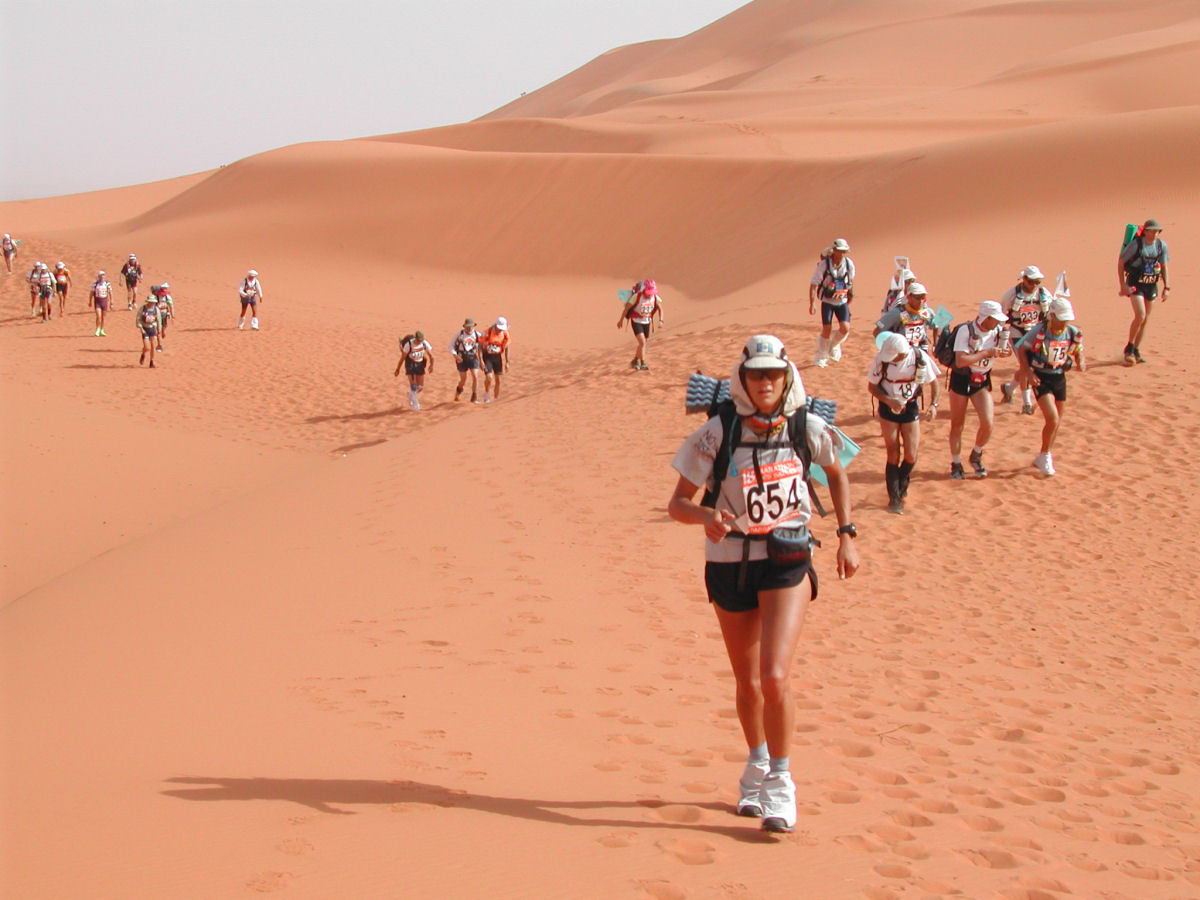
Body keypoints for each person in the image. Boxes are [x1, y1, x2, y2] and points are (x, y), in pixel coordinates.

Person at [668, 335, 859, 834]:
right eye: (758, 374)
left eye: (775, 374)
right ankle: (754, 765)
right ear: (744, 379)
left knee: (774, 677)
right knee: (747, 682)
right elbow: (677, 503)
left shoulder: (806, 426)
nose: (767, 382)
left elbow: (837, 473)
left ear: (787, 377)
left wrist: (846, 535)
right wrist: (706, 515)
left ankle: (781, 781)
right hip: (729, 562)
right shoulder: (717, 432)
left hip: (787, 557)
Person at [868, 332, 941, 514]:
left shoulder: (918, 357)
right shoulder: (881, 360)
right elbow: (872, 386)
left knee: (911, 454)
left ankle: (901, 482)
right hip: (888, 408)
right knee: (893, 451)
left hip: (909, 407)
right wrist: (888, 400)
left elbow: (934, 383)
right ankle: (894, 498)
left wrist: (933, 404)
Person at [1016, 298, 1086, 476]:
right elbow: (1021, 349)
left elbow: (1079, 350)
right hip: (1041, 377)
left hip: (1059, 378)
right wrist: (1028, 373)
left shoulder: (1071, 332)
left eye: (1066, 319)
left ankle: (1044, 454)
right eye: (1061, 318)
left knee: (1056, 423)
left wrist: (1080, 361)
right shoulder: (1039, 331)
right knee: (1052, 418)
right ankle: (1046, 456)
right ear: (1052, 315)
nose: (1064, 322)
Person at [947, 300, 1011, 479]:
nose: (998, 323)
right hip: (961, 379)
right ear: (986, 318)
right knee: (957, 425)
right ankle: (956, 462)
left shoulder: (998, 331)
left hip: (982, 380)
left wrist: (1004, 352)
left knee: (987, 423)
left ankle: (976, 454)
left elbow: (1005, 350)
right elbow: (960, 360)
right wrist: (986, 353)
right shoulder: (965, 331)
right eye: (995, 319)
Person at [998, 266, 1052, 414]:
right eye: (1031, 282)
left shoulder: (1044, 294)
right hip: (1017, 333)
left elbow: (1050, 313)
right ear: (1024, 279)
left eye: (1037, 282)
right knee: (1026, 366)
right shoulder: (1010, 295)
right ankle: (1027, 403)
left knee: (1028, 367)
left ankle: (1009, 389)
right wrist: (1001, 341)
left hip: (1036, 334)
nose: (1034, 285)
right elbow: (1001, 317)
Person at [1119, 219, 1171, 365]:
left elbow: (1164, 266)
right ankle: (1129, 347)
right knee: (1140, 315)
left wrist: (1167, 287)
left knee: (1145, 319)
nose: (1155, 233)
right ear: (1146, 231)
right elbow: (1121, 263)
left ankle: (1136, 349)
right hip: (1136, 284)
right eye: (1152, 230)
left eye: (1157, 231)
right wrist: (1122, 284)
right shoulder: (1136, 245)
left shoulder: (1161, 246)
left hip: (1151, 284)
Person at [809, 238, 855, 366]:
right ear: (833, 250)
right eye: (838, 251)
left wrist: (851, 293)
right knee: (827, 328)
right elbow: (814, 283)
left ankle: (833, 345)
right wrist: (812, 303)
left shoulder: (848, 264)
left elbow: (850, 281)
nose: (840, 253)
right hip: (828, 301)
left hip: (842, 301)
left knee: (845, 328)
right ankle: (822, 355)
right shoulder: (824, 265)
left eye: (843, 251)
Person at [617, 278, 664, 370]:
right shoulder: (637, 297)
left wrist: (661, 320)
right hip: (636, 321)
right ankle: (643, 363)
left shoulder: (655, 298)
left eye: (651, 292)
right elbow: (626, 308)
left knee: (643, 343)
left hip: (647, 321)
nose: (650, 294)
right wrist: (621, 320)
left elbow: (660, 309)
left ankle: (635, 360)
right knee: (642, 342)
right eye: (648, 292)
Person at [395, 330, 434, 410]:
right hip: (410, 364)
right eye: (418, 340)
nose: (419, 342)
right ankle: (416, 406)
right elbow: (402, 358)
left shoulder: (424, 343)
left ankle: (411, 394)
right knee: (413, 386)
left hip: (420, 364)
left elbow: (431, 356)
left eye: (420, 340)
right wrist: (397, 369)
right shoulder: (409, 344)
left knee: (420, 387)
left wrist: (431, 366)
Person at [450, 318, 484, 403]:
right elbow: (451, 345)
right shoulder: (459, 334)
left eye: (471, 326)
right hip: (462, 358)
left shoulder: (477, 335)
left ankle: (474, 397)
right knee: (463, 379)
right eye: (467, 326)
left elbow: (482, 347)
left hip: (473, 357)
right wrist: (455, 355)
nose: (469, 328)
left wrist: (481, 360)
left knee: (475, 376)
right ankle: (458, 393)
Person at [480, 317, 511, 402]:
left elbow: (507, 347)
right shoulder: (487, 332)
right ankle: (486, 394)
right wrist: (481, 360)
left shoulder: (505, 334)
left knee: (498, 379)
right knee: (489, 377)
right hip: (487, 357)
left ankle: (496, 398)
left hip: (497, 357)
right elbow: (479, 346)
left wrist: (507, 362)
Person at [135, 294, 161, 368]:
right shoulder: (142, 309)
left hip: (152, 328)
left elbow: (159, 320)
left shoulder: (156, 310)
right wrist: (141, 328)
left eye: (153, 302)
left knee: (153, 345)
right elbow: (138, 319)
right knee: (147, 347)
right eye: (150, 302)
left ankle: (152, 361)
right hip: (145, 329)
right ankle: (143, 354)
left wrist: (159, 329)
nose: (151, 304)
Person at [153, 283, 174, 350]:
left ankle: (163, 330)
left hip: (164, 314)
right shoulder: (155, 297)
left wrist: (172, 316)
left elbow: (171, 306)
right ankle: (159, 345)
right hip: (157, 314)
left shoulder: (167, 297)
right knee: (158, 330)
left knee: (164, 326)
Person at [91, 270, 113, 336]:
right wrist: (90, 301)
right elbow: (91, 293)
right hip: (97, 301)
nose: (102, 277)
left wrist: (112, 302)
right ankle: (97, 329)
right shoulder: (95, 284)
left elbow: (110, 292)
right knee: (99, 316)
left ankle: (102, 329)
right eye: (101, 275)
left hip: (104, 301)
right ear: (99, 276)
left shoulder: (107, 284)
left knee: (103, 317)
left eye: (103, 275)